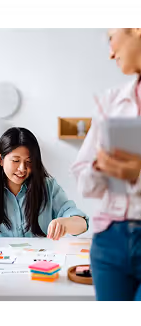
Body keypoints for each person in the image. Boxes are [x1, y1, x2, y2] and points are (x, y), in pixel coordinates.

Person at [72, 28, 141, 301]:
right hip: (109, 242)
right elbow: (83, 179)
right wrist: (100, 168)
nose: (111, 52)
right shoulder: (111, 102)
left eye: (111, 37)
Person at [0, 127, 89, 239]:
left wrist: (65, 223)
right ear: (0, 160)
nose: (22, 168)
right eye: (16, 161)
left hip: (40, 256)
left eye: (29, 161)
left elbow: (82, 224)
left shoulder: (48, 187)